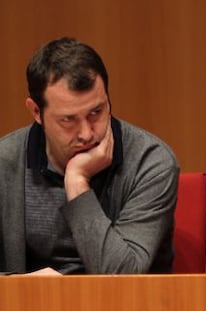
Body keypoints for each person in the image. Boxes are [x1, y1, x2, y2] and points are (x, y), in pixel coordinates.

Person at [0, 37, 179, 274]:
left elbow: (123, 278)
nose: (86, 133)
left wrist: (77, 183)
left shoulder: (151, 162)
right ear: (36, 112)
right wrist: (22, 287)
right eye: (68, 119)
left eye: (96, 112)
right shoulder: (5, 162)